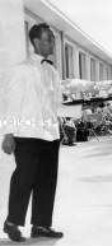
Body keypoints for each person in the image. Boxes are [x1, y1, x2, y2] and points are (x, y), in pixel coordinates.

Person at [0, 23, 63, 242]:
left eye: (53, 39)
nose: (53, 43)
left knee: (47, 180)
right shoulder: (21, 70)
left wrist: (58, 125)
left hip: (50, 134)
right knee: (24, 179)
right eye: (49, 39)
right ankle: (11, 223)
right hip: (27, 133)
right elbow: (11, 102)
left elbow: (55, 104)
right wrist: (8, 134)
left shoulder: (52, 70)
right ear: (36, 42)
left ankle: (41, 225)